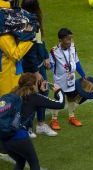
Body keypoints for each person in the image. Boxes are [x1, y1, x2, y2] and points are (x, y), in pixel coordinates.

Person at [0, 72, 65, 170]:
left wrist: (40, 92)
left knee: (20, 162)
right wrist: (59, 91)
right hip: (18, 137)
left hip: (2, 136)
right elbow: (60, 104)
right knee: (34, 162)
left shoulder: (12, 94)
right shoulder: (34, 97)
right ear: (34, 85)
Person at [0, 0, 34, 106]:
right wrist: (29, 37)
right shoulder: (0, 21)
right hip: (6, 75)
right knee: (7, 111)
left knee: (4, 109)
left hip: (2, 72)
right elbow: (15, 54)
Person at [21, 0, 56, 138]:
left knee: (43, 92)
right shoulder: (27, 25)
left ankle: (41, 125)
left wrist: (46, 56)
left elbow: (41, 42)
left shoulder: (35, 22)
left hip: (39, 65)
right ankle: (27, 127)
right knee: (30, 95)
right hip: (31, 67)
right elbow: (29, 51)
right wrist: (35, 71)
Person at [49, 28, 86, 130]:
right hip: (59, 80)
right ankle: (54, 120)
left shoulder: (73, 48)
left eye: (71, 38)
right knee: (58, 100)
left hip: (71, 79)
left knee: (71, 98)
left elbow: (77, 62)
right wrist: (47, 65)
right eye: (67, 39)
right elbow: (50, 65)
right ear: (61, 40)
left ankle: (71, 117)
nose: (70, 41)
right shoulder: (54, 51)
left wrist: (83, 75)